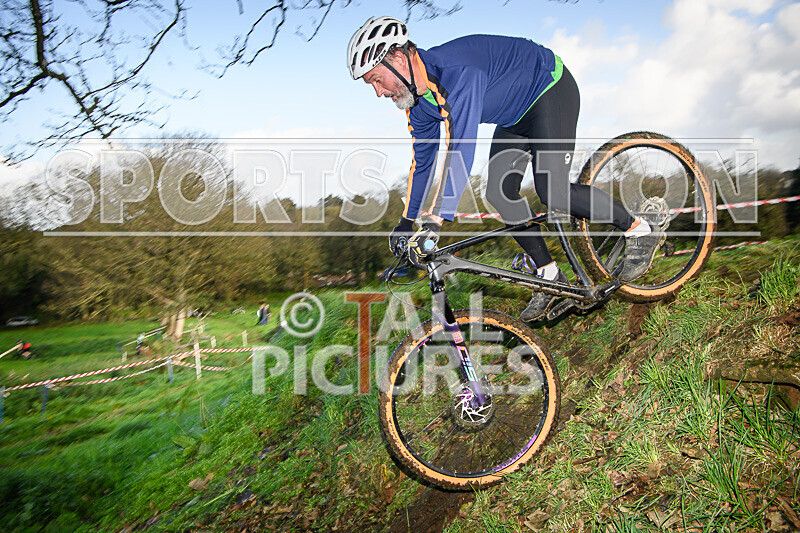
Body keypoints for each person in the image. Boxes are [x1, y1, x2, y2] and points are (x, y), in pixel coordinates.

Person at [347, 17, 667, 321]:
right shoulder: (417, 105)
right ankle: (549, 276)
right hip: (514, 118)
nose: (378, 92)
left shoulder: (455, 73)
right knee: (500, 193)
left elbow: (460, 149)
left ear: (398, 60)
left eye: (377, 79)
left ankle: (640, 229)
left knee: (553, 192)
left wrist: (435, 219)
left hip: (547, 88)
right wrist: (406, 220)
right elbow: (424, 161)